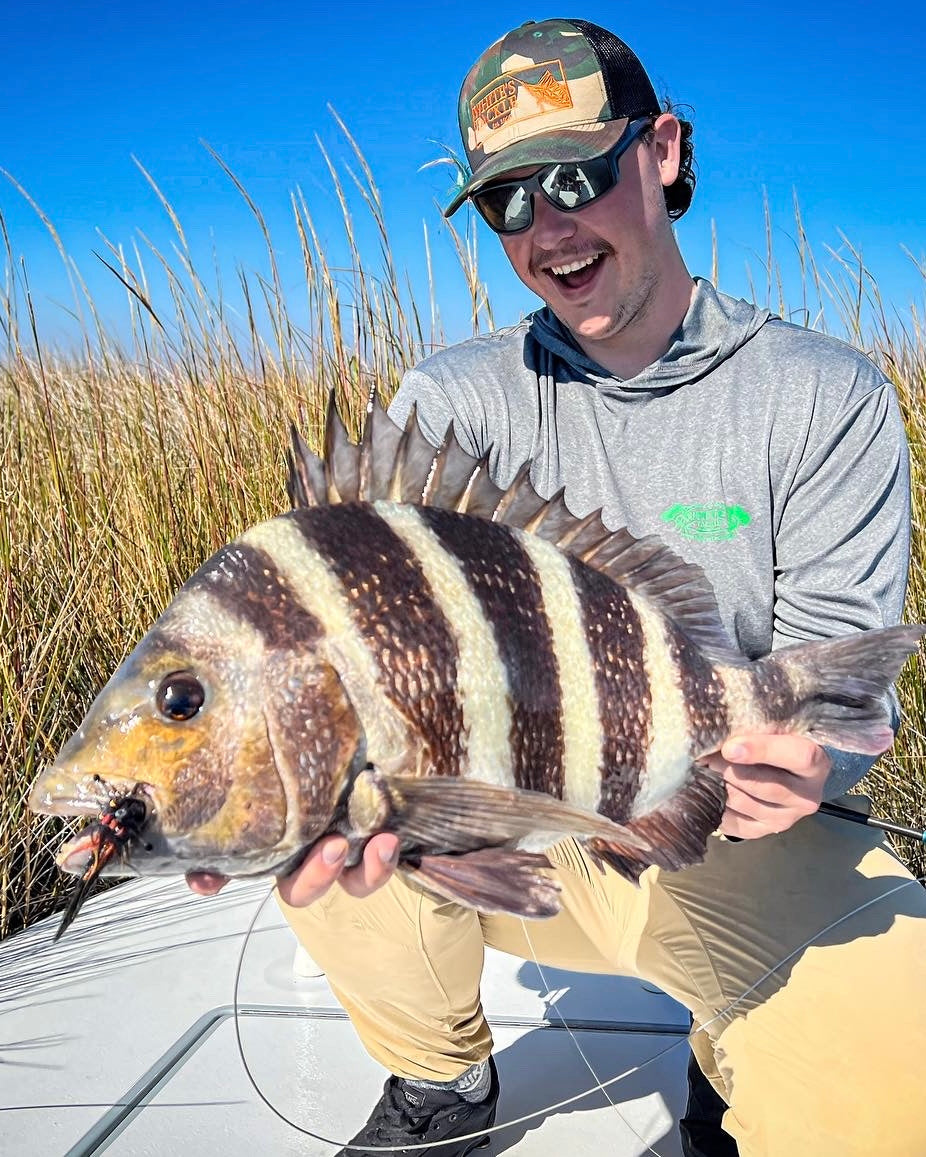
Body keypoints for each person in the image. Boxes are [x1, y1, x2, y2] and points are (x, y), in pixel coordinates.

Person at [190, 18, 926, 1157]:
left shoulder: (821, 393)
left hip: (720, 829)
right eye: (507, 201)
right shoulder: (456, 397)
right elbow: (367, 611)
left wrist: (807, 758)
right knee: (312, 806)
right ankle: (440, 1077)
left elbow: (832, 666)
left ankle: (721, 1048)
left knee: (895, 1077)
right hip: (515, 827)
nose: (548, 228)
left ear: (664, 150)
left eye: (576, 176)